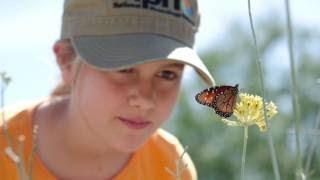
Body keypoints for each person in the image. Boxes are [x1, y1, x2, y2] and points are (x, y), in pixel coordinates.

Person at [0, 0, 215, 179]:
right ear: (66, 60)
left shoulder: (170, 166)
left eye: (167, 74)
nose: (146, 99)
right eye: (124, 68)